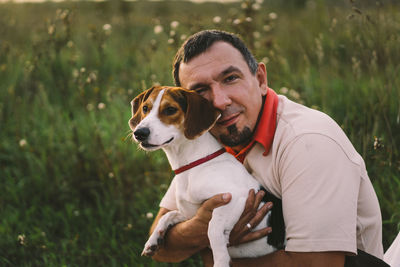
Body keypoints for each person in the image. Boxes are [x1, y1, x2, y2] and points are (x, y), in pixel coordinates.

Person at [146, 30, 385, 266]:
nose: (220, 101)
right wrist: (200, 229)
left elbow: (316, 264)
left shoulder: (308, 142)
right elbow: (161, 248)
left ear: (260, 79)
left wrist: (215, 256)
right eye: (200, 91)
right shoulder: (206, 134)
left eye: (230, 78)